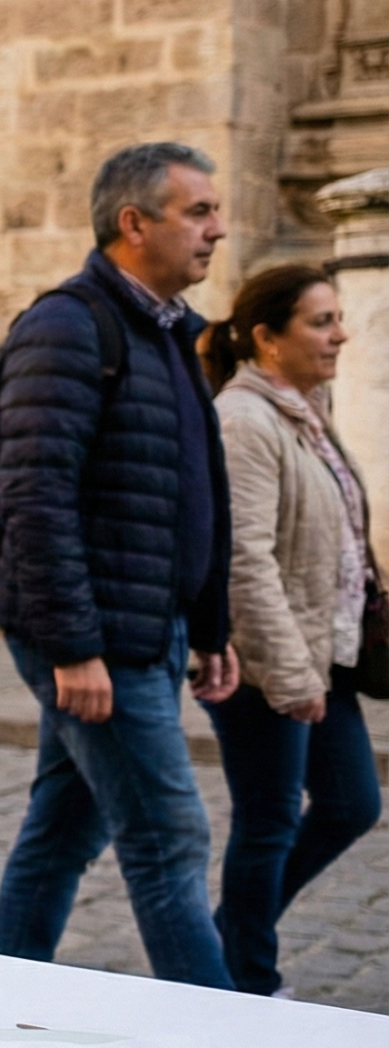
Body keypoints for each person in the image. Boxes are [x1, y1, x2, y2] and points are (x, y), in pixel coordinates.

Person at [0, 141, 240, 989]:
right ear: (135, 224)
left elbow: (189, 490)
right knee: (169, 838)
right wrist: (72, 645)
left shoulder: (169, 334)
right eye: (198, 211)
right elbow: (34, 495)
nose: (218, 229)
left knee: (61, 833)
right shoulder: (67, 326)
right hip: (99, 639)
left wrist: (208, 625)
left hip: (146, 629)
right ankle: (226, 1037)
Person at [198, 265, 383, 996]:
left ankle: (227, 933)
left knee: (351, 804)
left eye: (338, 318)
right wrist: (289, 672)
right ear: (268, 338)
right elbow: (245, 558)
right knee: (270, 819)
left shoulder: (305, 408)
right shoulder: (244, 421)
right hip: (264, 660)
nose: (341, 334)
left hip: (322, 651)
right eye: (322, 321)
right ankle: (248, 983)